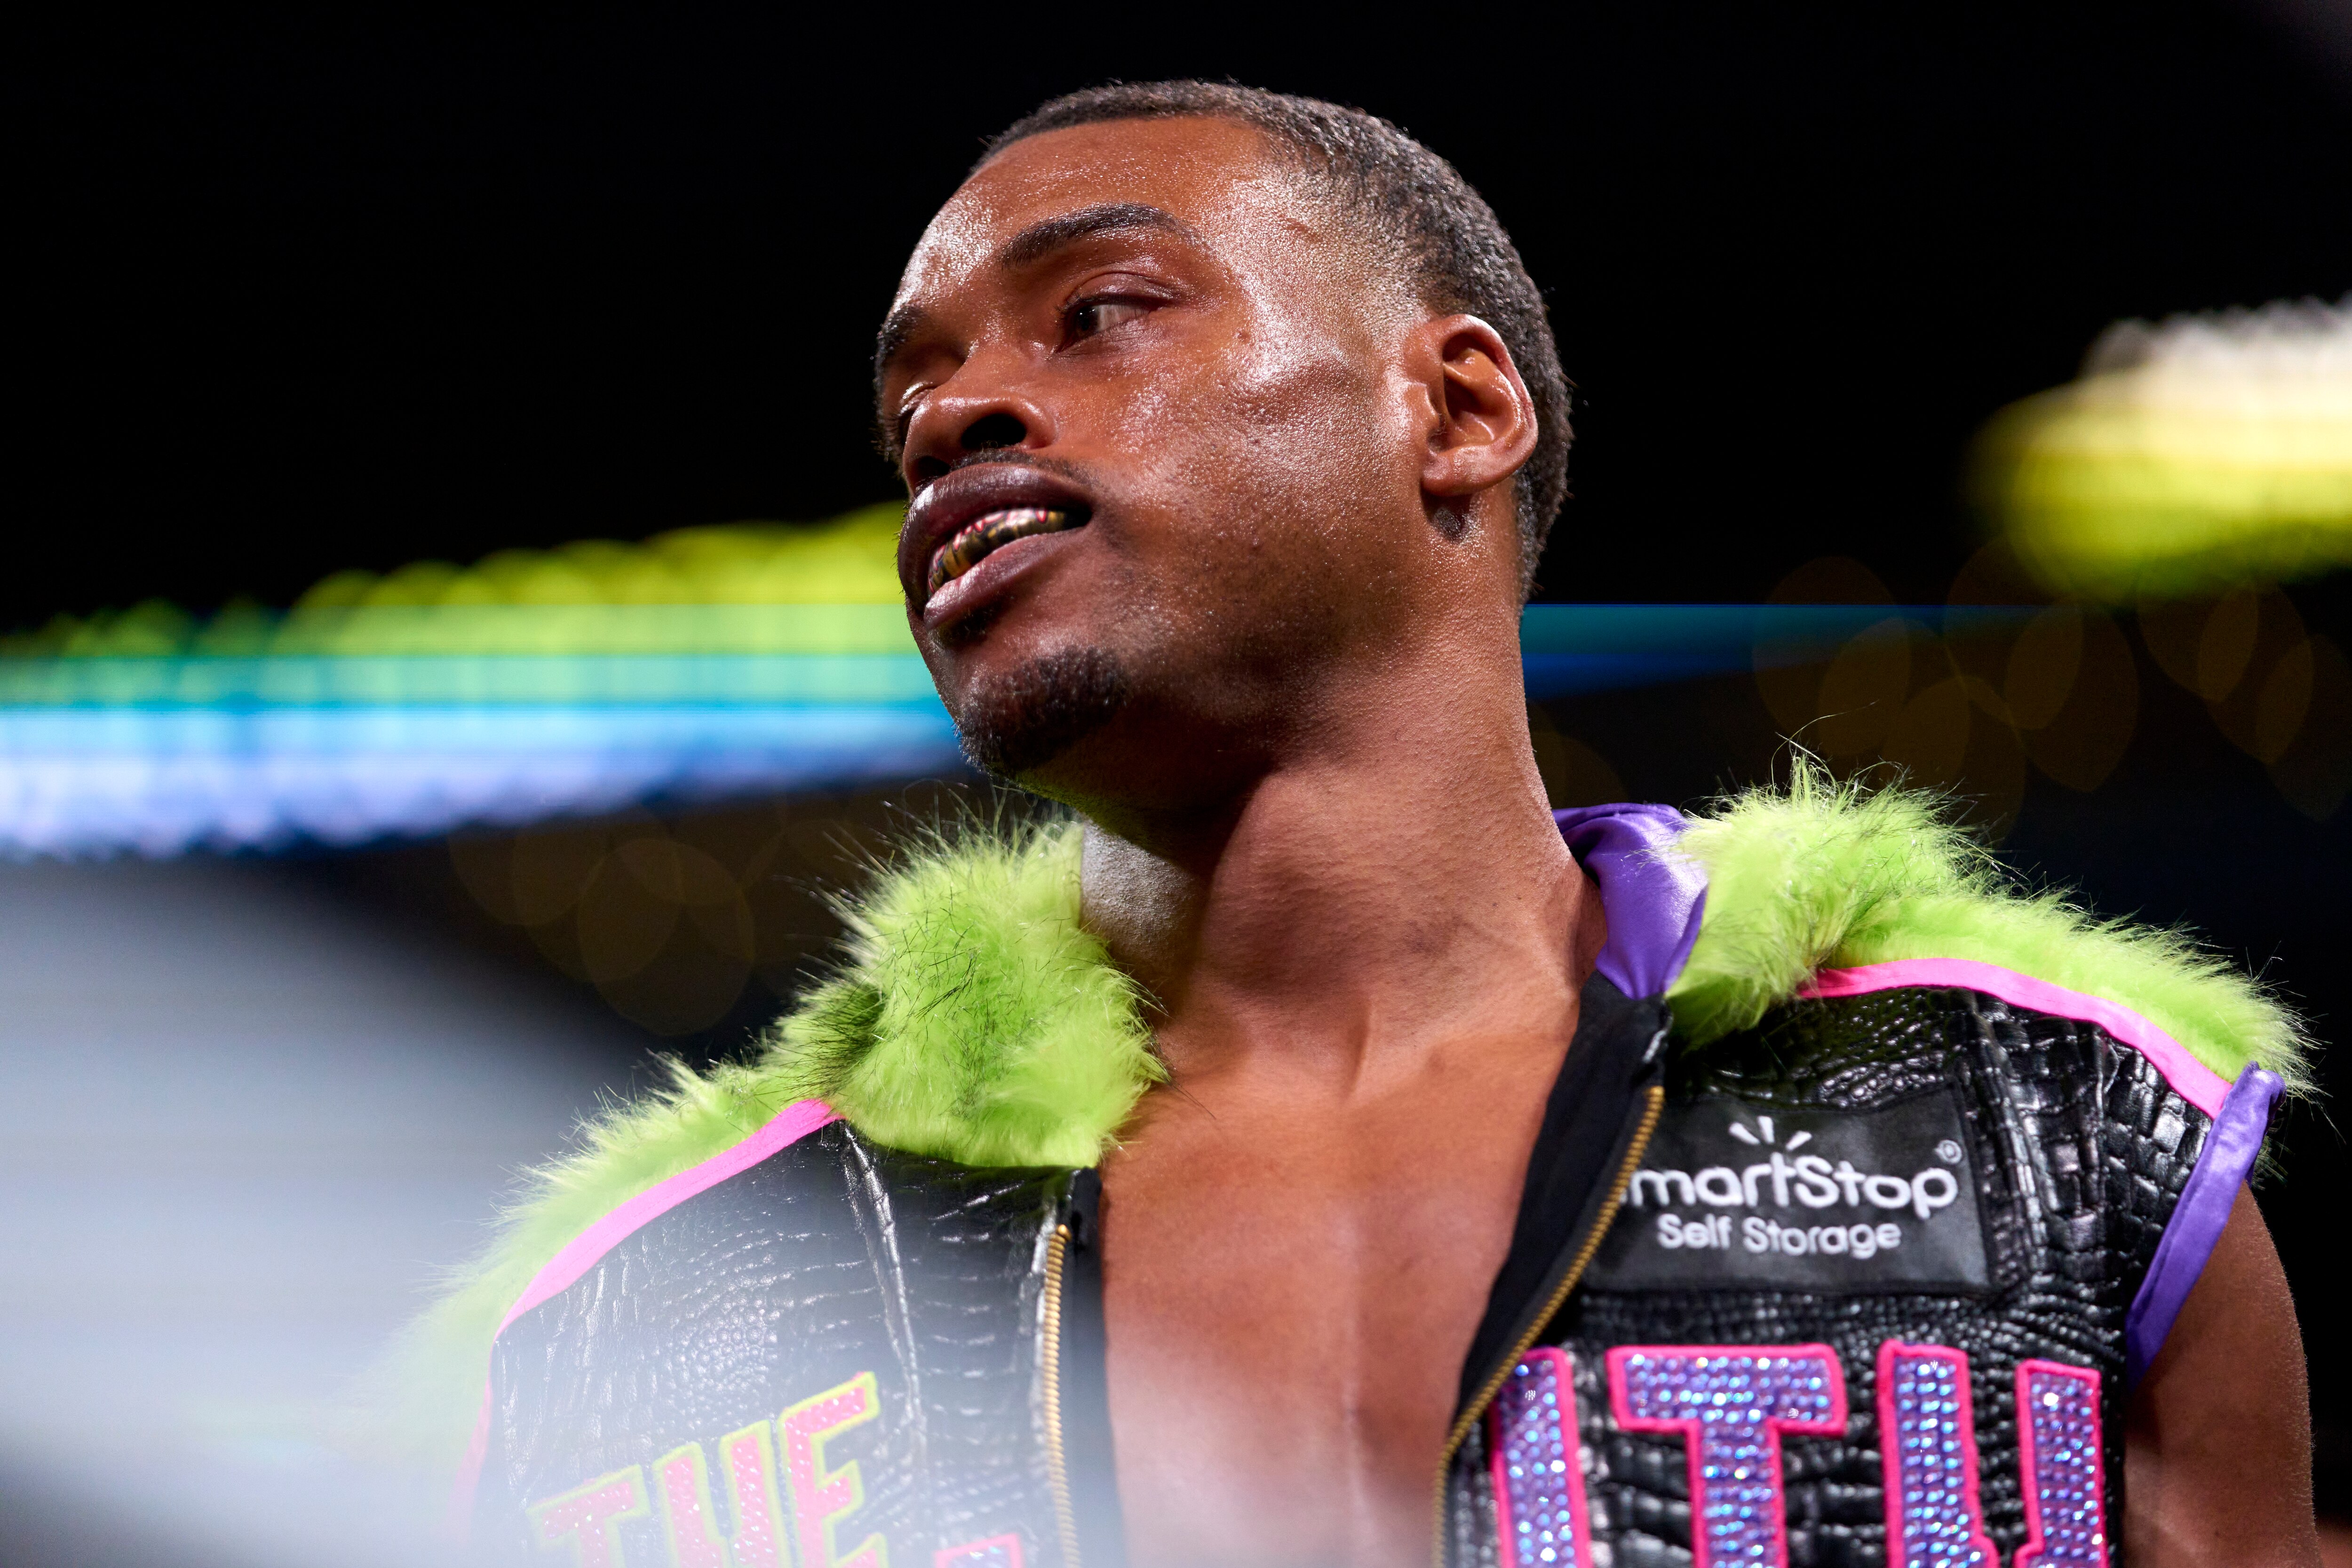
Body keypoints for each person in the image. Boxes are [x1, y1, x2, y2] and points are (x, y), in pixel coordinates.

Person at [394, 83, 2322, 1567]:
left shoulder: (2059, 1138)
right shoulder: (639, 1326)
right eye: (917, 396)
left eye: (1096, 314)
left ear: (1456, 409)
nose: (957, 415)